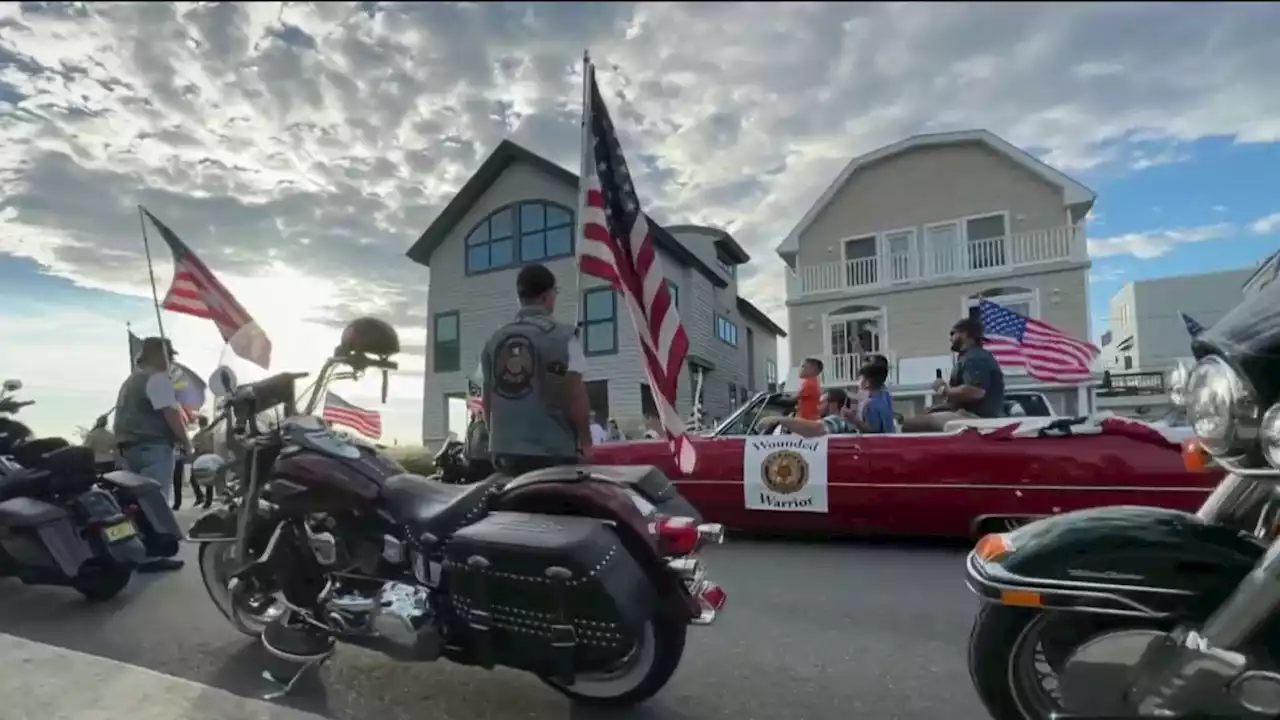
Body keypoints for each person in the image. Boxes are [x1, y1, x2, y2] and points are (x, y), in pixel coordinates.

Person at [481, 263, 591, 477]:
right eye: (555, 293)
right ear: (547, 296)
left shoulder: (493, 341)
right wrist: (586, 442)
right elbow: (576, 395)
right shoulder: (564, 337)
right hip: (552, 452)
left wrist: (496, 435)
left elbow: (488, 398)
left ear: (520, 299)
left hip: (506, 455)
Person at [112, 336, 188, 571]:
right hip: (153, 446)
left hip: (129, 448)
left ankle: (138, 550)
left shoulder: (130, 381)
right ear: (157, 354)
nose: (171, 361)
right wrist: (186, 441)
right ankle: (154, 555)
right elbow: (171, 415)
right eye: (169, 355)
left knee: (134, 504)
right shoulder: (157, 379)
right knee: (155, 502)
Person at [902, 317, 1006, 432]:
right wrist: (938, 408)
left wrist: (943, 389)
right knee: (921, 418)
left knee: (905, 425)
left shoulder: (975, 358)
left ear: (965, 334)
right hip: (967, 416)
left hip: (974, 419)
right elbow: (962, 401)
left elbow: (975, 392)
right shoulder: (970, 357)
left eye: (953, 333)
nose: (950, 338)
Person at [757, 387, 856, 437]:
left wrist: (778, 420)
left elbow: (817, 428)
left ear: (833, 404)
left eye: (820, 402)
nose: (816, 407)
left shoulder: (838, 420)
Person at [849, 362, 896, 434]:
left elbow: (872, 430)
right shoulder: (886, 396)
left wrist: (853, 419)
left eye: (860, 378)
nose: (858, 382)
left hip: (876, 444)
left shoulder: (870, 404)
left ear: (867, 382)